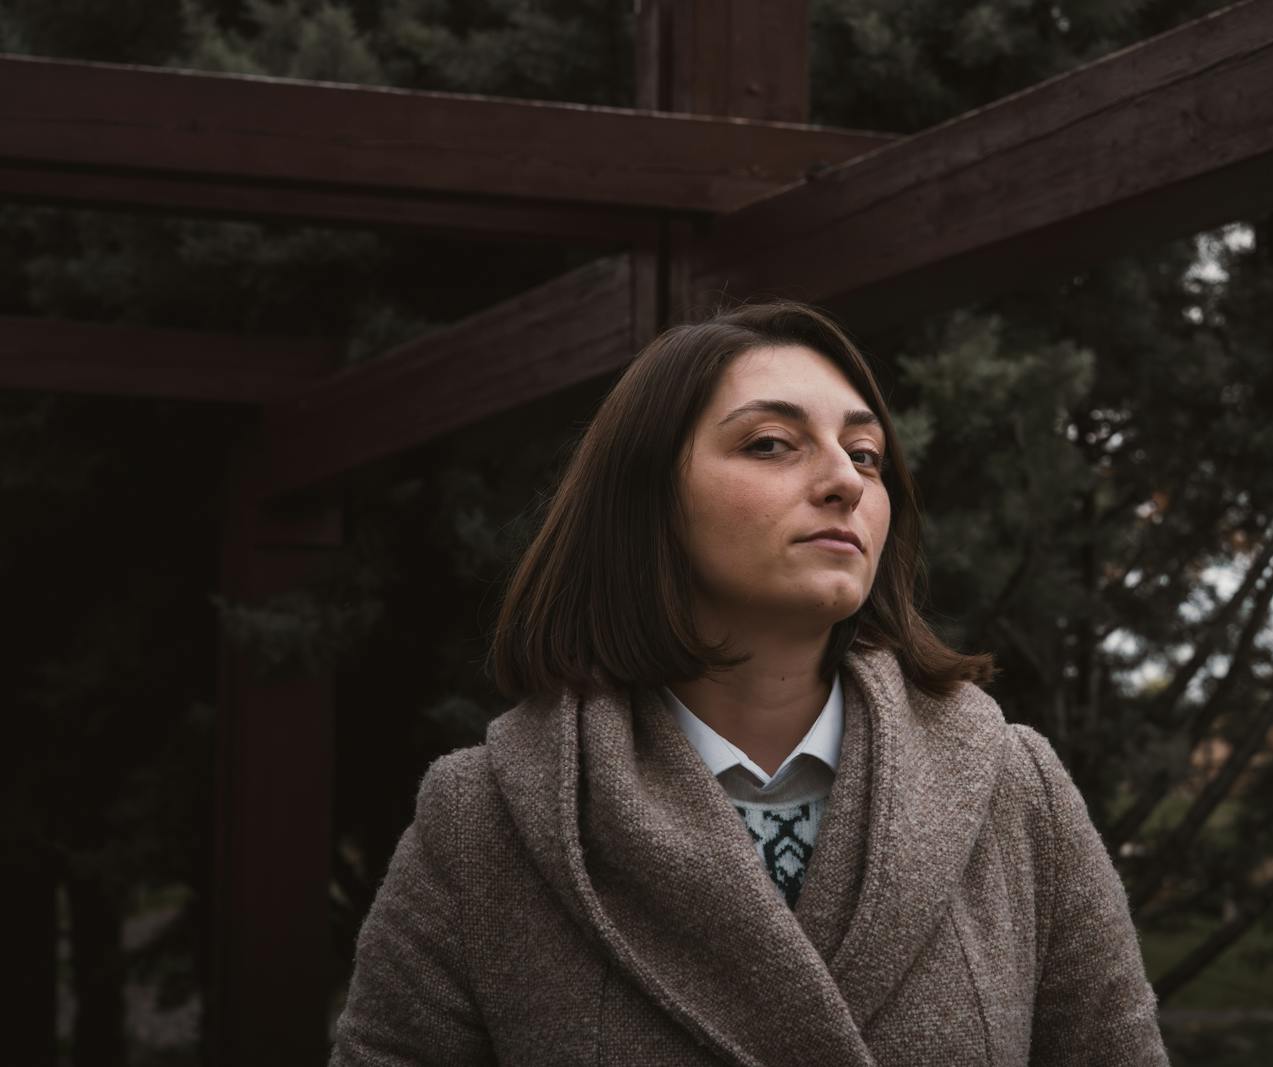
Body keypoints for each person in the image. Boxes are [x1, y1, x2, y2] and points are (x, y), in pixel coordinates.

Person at [330, 301, 1168, 1065]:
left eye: (867, 453)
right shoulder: (486, 819)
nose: (845, 478)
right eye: (770, 443)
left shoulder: (1014, 793)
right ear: (646, 499)